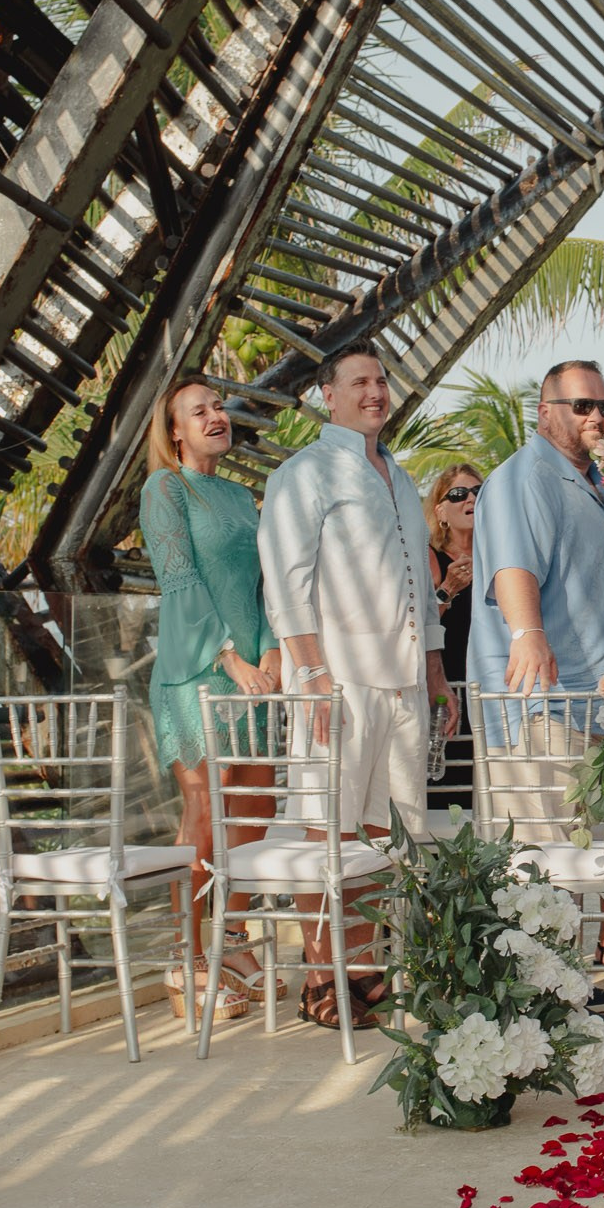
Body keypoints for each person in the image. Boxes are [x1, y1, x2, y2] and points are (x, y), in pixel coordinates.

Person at [259, 341, 457, 1031]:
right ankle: (323, 974)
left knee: (382, 830)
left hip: (402, 682)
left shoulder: (400, 477)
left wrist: (435, 673)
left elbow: (422, 592)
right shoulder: (304, 472)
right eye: (360, 382)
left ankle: (365, 965)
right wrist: (308, 672)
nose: (375, 392)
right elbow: (285, 579)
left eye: (381, 381)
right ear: (328, 396)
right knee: (328, 834)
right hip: (336, 682)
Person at [468, 361, 604, 826]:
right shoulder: (525, 478)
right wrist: (528, 632)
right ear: (545, 412)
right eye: (582, 405)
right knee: (541, 877)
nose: (597, 416)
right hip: (548, 713)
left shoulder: (599, 485)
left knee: (602, 874)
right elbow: (514, 566)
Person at [141, 375, 276, 1024]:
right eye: (200, 411)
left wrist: (273, 649)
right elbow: (178, 578)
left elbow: (266, 580)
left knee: (255, 813)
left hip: (255, 671)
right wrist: (229, 656)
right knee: (205, 815)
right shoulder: (166, 488)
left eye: (219, 406)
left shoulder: (240, 495)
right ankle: (186, 956)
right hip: (197, 672)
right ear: (175, 431)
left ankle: (232, 939)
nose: (216, 416)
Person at [425, 464, 482, 813]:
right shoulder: (429, 557)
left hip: (491, 695)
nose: (471, 499)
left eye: (479, 491)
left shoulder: (502, 557)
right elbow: (417, 624)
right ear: (441, 511)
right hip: (448, 691)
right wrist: (448, 590)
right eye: (459, 494)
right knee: (448, 798)